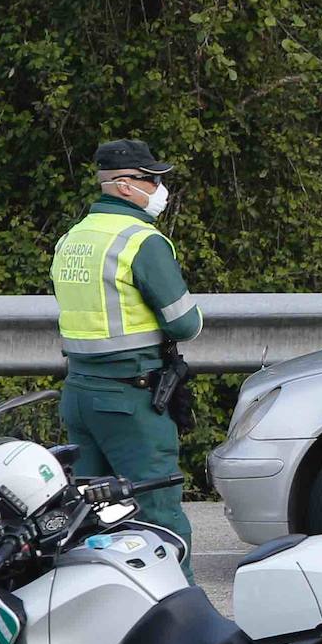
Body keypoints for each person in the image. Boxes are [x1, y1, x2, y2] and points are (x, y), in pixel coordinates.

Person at [50, 139, 202, 582]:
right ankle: (183, 621)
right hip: (131, 398)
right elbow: (184, 323)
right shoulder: (141, 241)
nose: (159, 187)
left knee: (84, 519)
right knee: (160, 517)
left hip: (79, 395)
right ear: (124, 185)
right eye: (151, 179)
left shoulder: (72, 238)